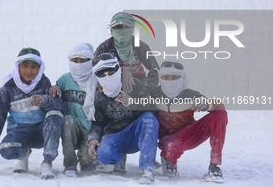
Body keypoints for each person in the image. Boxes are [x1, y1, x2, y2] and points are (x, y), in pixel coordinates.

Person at [0, 48, 64, 180]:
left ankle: (47, 162)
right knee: (6, 149)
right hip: (19, 131)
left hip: (42, 132)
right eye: (25, 66)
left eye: (34, 66)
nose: (29, 71)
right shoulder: (7, 89)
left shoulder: (44, 83)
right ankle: (23, 154)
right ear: (18, 66)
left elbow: (59, 108)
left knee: (54, 114)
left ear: (40, 68)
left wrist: (45, 100)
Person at [147, 60, 228, 183]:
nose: (170, 81)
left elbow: (220, 106)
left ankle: (214, 166)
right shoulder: (152, 93)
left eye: (175, 77)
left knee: (220, 114)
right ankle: (168, 157)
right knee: (167, 142)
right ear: (160, 77)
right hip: (164, 138)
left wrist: (206, 104)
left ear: (182, 78)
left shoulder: (190, 94)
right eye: (166, 77)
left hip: (188, 135)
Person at [87, 53, 159, 185]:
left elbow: (151, 106)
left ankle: (147, 169)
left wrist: (131, 103)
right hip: (114, 134)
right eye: (102, 75)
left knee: (149, 118)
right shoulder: (100, 95)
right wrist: (93, 138)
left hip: (136, 132)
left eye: (111, 72)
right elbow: (98, 122)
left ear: (117, 70)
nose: (107, 77)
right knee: (103, 154)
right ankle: (119, 160)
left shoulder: (134, 84)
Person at [49, 43, 97, 177]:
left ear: (90, 61)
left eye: (83, 60)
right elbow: (54, 91)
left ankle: (85, 158)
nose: (79, 64)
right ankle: (70, 163)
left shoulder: (96, 80)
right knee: (68, 120)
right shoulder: (64, 79)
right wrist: (54, 87)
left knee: (89, 161)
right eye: (75, 61)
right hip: (70, 129)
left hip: (90, 127)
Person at [94, 12, 160, 93]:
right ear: (111, 31)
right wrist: (102, 82)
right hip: (113, 83)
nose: (122, 31)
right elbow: (93, 69)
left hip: (139, 83)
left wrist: (150, 86)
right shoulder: (105, 47)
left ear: (131, 29)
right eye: (117, 27)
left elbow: (154, 68)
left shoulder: (139, 45)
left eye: (125, 27)